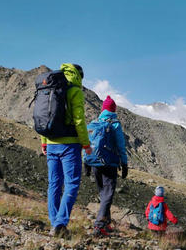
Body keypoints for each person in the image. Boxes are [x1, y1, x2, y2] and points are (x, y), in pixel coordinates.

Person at [40, 63, 92, 237]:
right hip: (69, 145)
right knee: (71, 184)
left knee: (54, 184)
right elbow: (79, 120)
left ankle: (54, 224)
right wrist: (86, 144)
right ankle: (60, 224)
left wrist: (44, 141)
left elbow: (44, 116)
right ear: (79, 75)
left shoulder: (51, 86)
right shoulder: (75, 91)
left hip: (51, 141)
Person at [86, 95, 128, 237]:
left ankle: (107, 222)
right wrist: (125, 163)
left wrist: (86, 161)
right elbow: (121, 146)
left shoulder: (94, 123)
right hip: (109, 164)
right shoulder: (115, 124)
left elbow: (87, 143)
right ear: (113, 110)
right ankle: (99, 226)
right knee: (108, 194)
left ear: (103, 109)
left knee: (103, 194)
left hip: (94, 163)